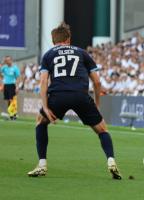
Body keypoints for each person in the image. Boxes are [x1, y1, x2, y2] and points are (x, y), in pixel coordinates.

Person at [27, 22, 122, 179]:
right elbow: (97, 82)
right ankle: (111, 160)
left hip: (58, 96)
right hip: (81, 96)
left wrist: (45, 107)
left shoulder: (49, 55)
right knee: (102, 130)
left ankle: (42, 164)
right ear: (68, 39)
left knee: (40, 122)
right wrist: (97, 105)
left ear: (53, 41)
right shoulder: (82, 53)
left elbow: (43, 82)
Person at [0, 56, 20, 120]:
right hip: (6, 85)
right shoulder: (4, 67)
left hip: (12, 85)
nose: (7, 62)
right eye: (6, 60)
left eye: (8, 60)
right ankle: (11, 114)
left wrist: (17, 87)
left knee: (12, 100)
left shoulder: (15, 68)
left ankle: (13, 114)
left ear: (11, 60)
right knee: (8, 100)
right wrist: (3, 63)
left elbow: (17, 78)